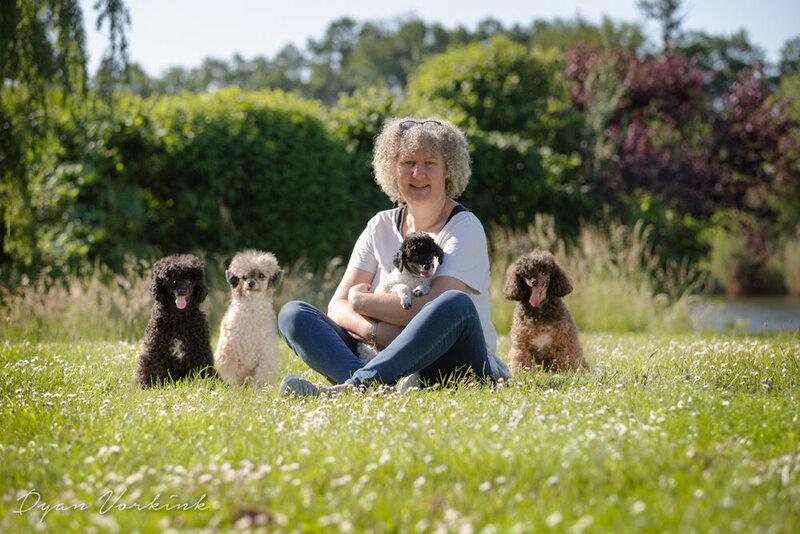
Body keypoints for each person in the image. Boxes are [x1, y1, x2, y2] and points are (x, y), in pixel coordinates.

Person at [277, 116, 509, 396]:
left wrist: (361, 300)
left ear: (449, 169)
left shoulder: (465, 227)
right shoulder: (380, 225)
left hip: (452, 361)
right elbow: (337, 307)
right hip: (376, 351)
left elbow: (430, 309)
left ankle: (356, 387)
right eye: (408, 162)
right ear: (392, 169)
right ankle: (375, 388)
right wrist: (377, 332)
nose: (418, 173)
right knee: (293, 315)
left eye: (430, 163)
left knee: (454, 303)